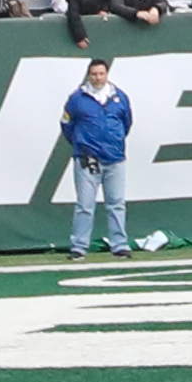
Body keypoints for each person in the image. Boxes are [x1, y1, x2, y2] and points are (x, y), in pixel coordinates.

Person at [58, 56, 134, 258]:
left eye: (101, 73)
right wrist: (81, 145)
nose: (98, 77)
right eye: (94, 74)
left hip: (115, 158)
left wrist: (114, 141)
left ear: (107, 74)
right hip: (87, 158)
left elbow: (126, 123)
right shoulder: (77, 98)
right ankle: (79, 247)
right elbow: (66, 124)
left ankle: (119, 245)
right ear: (88, 75)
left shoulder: (120, 97)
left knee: (116, 202)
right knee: (85, 204)